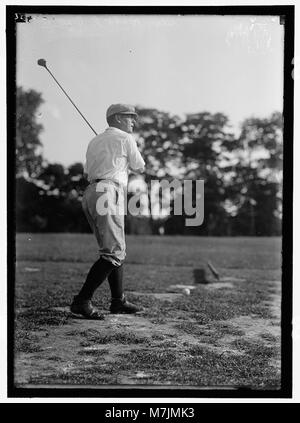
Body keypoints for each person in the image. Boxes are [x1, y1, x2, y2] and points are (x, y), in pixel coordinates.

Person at [70, 104, 145, 319]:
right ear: (118, 118)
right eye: (130, 117)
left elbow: (87, 173)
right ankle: (82, 300)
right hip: (108, 191)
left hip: (91, 192)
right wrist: (122, 160)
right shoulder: (125, 138)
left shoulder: (95, 141)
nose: (133, 121)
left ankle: (117, 301)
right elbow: (140, 166)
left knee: (113, 249)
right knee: (113, 251)